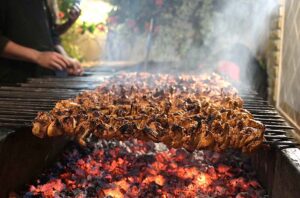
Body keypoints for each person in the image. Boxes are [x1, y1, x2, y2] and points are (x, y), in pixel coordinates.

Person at [0, 0, 83, 85]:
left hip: (44, 79)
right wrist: (38, 56)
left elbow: (52, 35)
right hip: (14, 81)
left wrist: (65, 60)